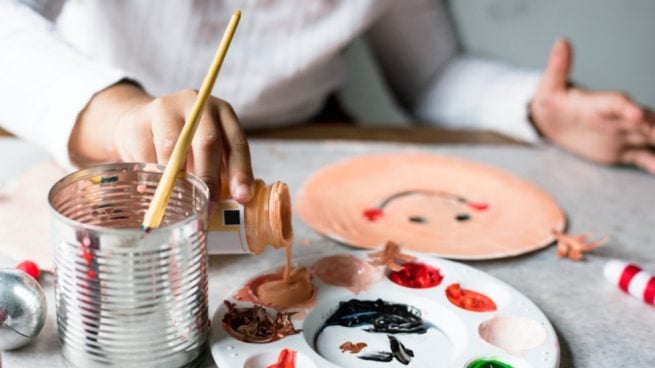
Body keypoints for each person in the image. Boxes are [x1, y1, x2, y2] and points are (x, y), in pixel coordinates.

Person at [1, 0, 653, 212]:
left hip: (306, 144)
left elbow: (432, 76)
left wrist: (533, 110)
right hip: (97, 134)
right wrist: (119, 113)